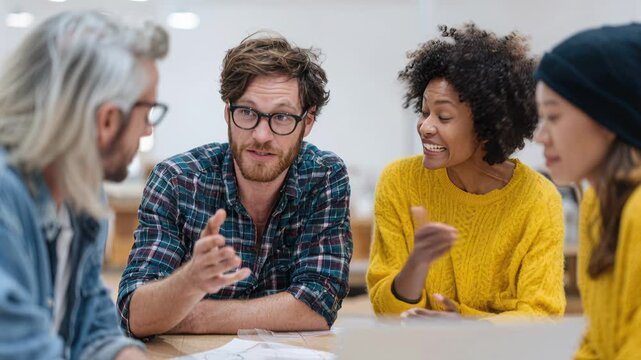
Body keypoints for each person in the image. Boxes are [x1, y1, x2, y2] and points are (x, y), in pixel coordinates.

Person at [117, 33, 352, 338]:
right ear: (228, 113)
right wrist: (190, 281)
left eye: (281, 117)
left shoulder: (324, 177)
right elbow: (135, 314)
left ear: (307, 122)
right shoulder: (176, 180)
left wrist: (193, 314)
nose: (261, 135)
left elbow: (319, 303)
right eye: (247, 113)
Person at [0, 10, 169, 359]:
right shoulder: (6, 198)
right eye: (148, 112)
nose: (148, 130)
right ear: (107, 120)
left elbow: (89, 318)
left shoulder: (81, 193)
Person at [367, 23, 565, 319]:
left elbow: (542, 314)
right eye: (423, 112)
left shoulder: (538, 199)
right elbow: (386, 310)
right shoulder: (399, 181)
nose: (425, 126)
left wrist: (467, 329)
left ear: (488, 125)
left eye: (443, 116)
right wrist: (417, 263)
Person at [534, 23, 641, 359]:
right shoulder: (597, 200)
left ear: (609, 117)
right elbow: (598, 341)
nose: (540, 136)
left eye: (553, 116)